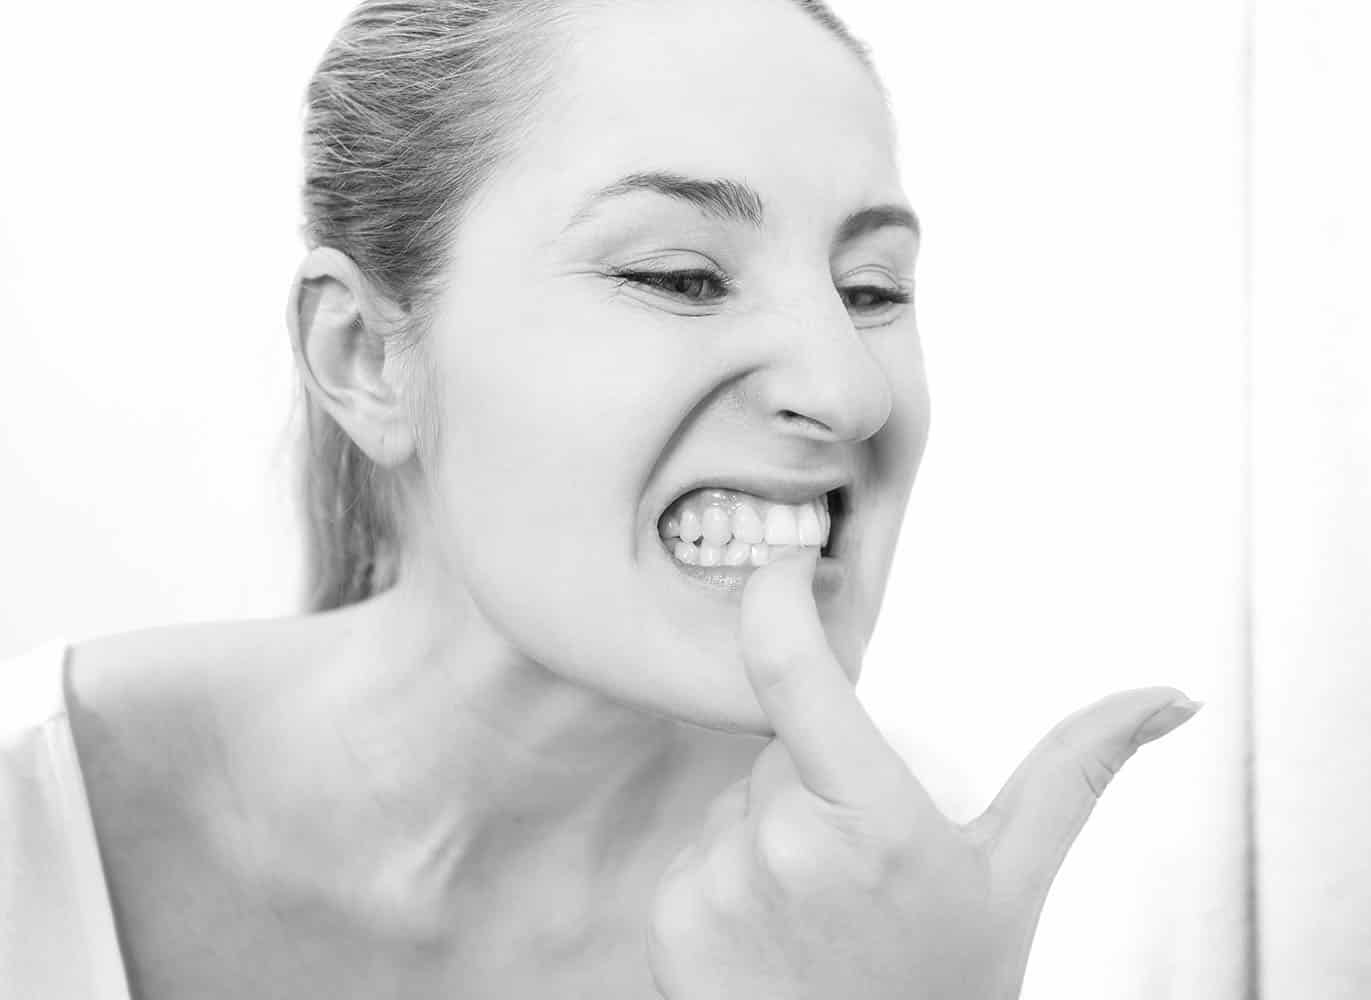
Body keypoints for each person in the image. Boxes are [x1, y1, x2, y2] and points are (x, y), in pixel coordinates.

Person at [0, 0, 1202, 995]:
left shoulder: (915, 896)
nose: (847, 390)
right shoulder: (31, 813)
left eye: (873, 289)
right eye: (679, 274)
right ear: (367, 357)